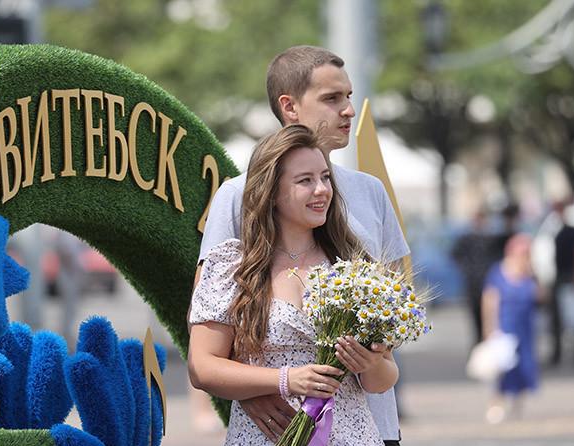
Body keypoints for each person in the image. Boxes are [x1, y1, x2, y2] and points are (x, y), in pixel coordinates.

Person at [195, 45, 410, 445]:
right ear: (289, 106)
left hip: (371, 422)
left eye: (348, 96)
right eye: (332, 99)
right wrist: (261, 388)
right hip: (275, 427)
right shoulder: (236, 194)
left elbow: (390, 320)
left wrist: (373, 356)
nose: (348, 110)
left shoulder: (371, 191)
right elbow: (209, 324)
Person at [481, 234, 540, 424]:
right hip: (505, 326)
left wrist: (532, 273)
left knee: (523, 367)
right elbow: (490, 300)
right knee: (503, 368)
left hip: (525, 328)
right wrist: (490, 328)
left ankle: (518, 405)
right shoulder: (498, 272)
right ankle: (496, 403)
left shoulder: (529, 274)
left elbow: (541, 297)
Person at [548, 199, 574, 366]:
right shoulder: (558, 230)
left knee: (573, 316)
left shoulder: (572, 232)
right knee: (558, 317)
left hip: (569, 276)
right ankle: (558, 352)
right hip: (561, 275)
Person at [451, 210, 498, 346]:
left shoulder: (490, 239)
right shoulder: (467, 239)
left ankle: (485, 344)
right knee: (475, 317)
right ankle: (478, 344)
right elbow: (455, 255)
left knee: (488, 317)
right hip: (473, 284)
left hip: (487, 284)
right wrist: (466, 268)